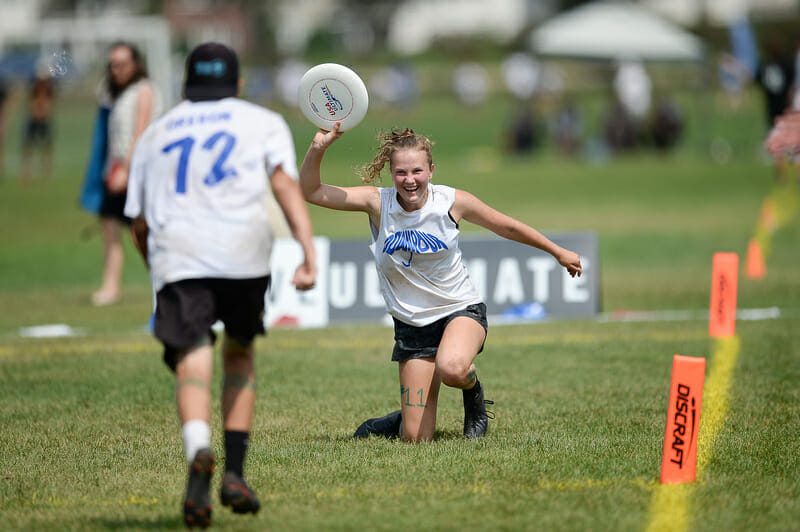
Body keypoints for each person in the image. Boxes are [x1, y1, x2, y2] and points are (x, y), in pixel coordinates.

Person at [124, 42, 316, 528]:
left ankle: (197, 446)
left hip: (181, 253)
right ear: (239, 84)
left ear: (185, 83)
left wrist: (155, 268)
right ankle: (234, 473)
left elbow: (139, 222)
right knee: (239, 351)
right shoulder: (262, 121)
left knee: (192, 353)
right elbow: (285, 186)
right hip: (244, 251)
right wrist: (307, 251)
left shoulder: (155, 134)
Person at [299, 123, 582, 442]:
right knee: (416, 438)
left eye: (417, 171)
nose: (409, 180)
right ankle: (405, 419)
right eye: (401, 173)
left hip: (459, 310)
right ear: (391, 173)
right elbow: (311, 191)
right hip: (412, 325)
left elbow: (509, 227)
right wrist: (319, 145)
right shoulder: (377, 203)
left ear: (431, 170)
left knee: (453, 368)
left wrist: (557, 251)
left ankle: (473, 395)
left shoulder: (452, 201)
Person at [92, 42, 162, 306]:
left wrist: (126, 170)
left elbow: (141, 132)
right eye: (112, 65)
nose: (116, 70)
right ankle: (110, 287)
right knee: (110, 228)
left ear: (136, 64)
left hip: (140, 171)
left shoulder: (144, 90)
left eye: (122, 64)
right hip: (117, 169)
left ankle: (164, 286)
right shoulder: (116, 94)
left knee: (142, 232)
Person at [19, 74, 56, 185]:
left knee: (46, 147)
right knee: (28, 146)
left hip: (43, 121)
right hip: (34, 120)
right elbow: (32, 105)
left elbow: (49, 105)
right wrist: (37, 112)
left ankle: (45, 172)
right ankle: (27, 172)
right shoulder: (34, 89)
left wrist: (42, 112)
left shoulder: (49, 90)